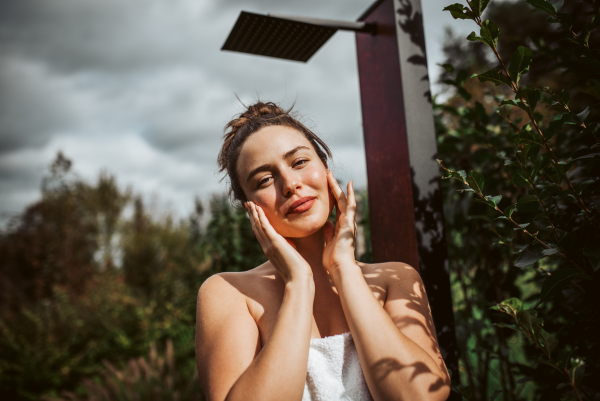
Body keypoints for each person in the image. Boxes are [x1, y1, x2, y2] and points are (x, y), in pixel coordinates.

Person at [195, 101, 451, 401]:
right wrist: (298, 284)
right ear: (249, 208)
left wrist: (344, 269)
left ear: (325, 168)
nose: (290, 184)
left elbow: (420, 396)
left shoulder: (394, 278)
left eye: (300, 162)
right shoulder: (229, 293)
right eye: (265, 180)